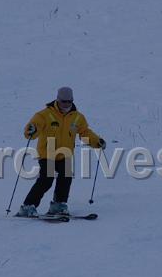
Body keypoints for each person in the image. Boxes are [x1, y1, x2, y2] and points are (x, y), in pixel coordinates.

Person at [17, 87, 106, 217]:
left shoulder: (77, 117)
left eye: (69, 101)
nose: (66, 104)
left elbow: (84, 133)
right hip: (47, 153)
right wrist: (31, 130)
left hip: (65, 154)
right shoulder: (44, 114)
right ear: (58, 100)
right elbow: (34, 126)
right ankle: (27, 206)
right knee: (46, 179)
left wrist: (97, 141)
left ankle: (58, 205)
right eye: (64, 101)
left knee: (66, 178)